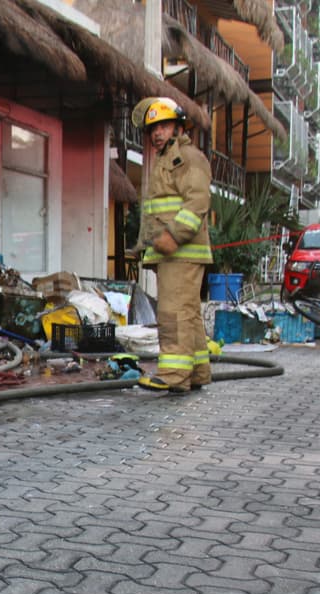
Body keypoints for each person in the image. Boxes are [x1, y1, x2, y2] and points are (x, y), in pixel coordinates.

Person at [131, 97, 213, 394]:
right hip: (174, 253)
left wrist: (174, 236)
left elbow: (197, 202)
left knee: (173, 312)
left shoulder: (187, 158)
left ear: (179, 127)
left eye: (163, 126)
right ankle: (197, 372)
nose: (157, 133)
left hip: (181, 252)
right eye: (153, 128)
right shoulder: (168, 160)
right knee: (188, 312)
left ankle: (174, 375)